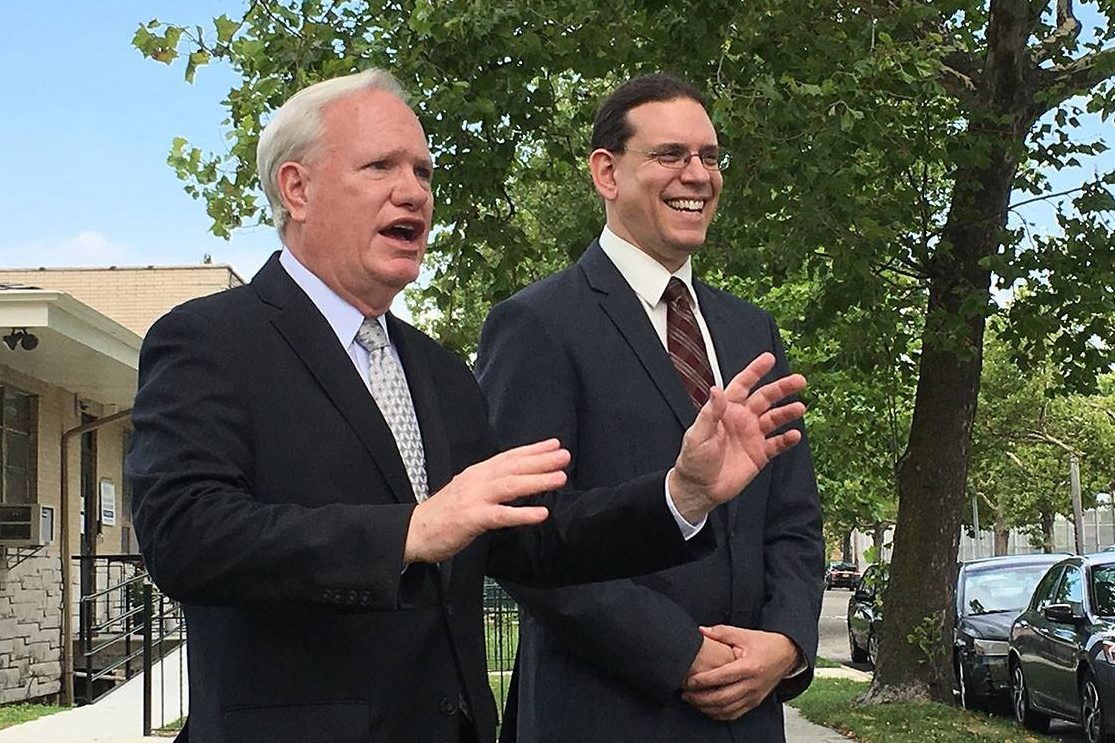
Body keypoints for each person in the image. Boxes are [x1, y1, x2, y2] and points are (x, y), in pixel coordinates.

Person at [126, 69, 810, 743]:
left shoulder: (441, 375)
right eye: (380, 166)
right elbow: (186, 535)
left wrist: (678, 494)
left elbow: (530, 541)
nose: (413, 192)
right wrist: (410, 531)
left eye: (423, 172)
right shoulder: (208, 340)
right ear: (296, 189)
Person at [476, 73, 825, 742]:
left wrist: (784, 642)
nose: (697, 174)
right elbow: (521, 537)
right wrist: (679, 652)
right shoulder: (535, 325)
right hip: (604, 713)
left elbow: (794, 523)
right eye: (670, 155)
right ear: (606, 172)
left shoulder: (753, 333)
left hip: (749, 717)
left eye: (710, 156)